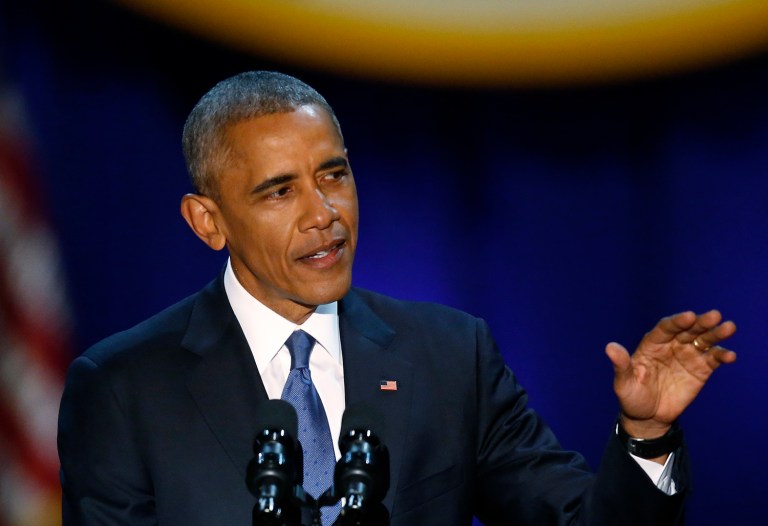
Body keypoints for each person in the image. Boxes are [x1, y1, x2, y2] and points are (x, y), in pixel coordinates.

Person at [57, 71, 737, 526]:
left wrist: (647, 435)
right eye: (280, 191)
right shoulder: (122, 388)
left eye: (333, 175)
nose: (323, 214)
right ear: (208, 221)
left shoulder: (451, 356)